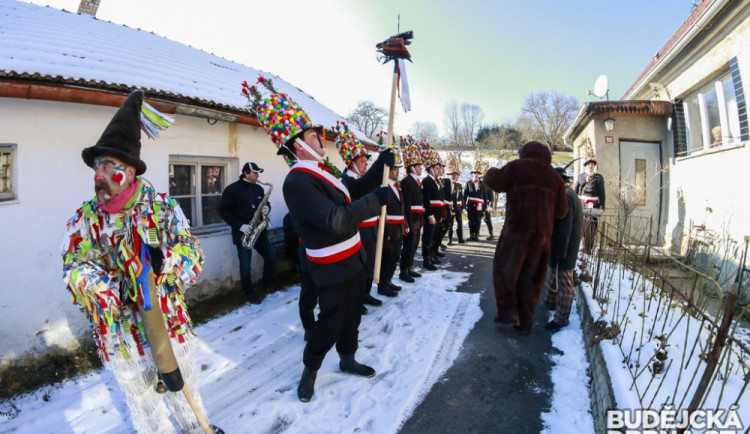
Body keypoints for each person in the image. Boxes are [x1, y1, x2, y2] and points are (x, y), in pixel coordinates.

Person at [62, 90, 217, 433]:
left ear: (130, 172)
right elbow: (72, 268)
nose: (98, 175)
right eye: (96, 166)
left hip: (169, 325)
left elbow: (193, 253)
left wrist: (165, 262)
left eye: (107, 166)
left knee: (184, 391)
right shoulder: (85, 220)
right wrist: (112, 286)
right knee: (144, 408)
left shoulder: (162, 208)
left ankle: (195, 429)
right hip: (121, 337)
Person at [255, 90, 390, 403]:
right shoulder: (297, 181)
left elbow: (355, 189)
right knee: (329, 321)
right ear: (298, 146)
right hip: (331, 268)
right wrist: (374, 202)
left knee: (353, 315)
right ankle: (310, 370)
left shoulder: (322, 172)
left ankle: (347, 358)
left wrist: (381, 162)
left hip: (354, 258)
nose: (320, 139)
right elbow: (335, 219)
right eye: (314, 135)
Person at [484, 141, 568, 336]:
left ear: (524, 153)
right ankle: (525, 323)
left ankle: (506, 312)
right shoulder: (556, 178)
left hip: (516, 234)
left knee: (505, 271)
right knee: (532, 280)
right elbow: (562, 212)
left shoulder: (517, 166)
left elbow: (494, 181)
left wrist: (490, 171)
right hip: (542, 238)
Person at [336, 123, 397, 305]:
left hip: (372, 228)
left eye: (366, 160)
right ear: (352, 163)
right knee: (359, 268)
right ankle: (357, 299)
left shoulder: (361, 179)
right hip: (359, 231)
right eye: (362, 160)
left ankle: (366, 294)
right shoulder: (346, 181)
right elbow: (361, 192)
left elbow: (369, 182)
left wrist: (382, 166)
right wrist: (378, 166)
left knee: (370, 265)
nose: (365, 163)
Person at [220, 161, 276, 304]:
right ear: (246, 173)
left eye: (258, 173)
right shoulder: (231, 190)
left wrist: (267, 209)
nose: (258, 176)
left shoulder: (258, 189)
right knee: (246, 266)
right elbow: (224, 211)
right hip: (243, 234)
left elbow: (265, 203)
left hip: (260, 233)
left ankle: (267, 284)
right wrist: (240, 226)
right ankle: (249, 293)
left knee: (271, 257)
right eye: (255, 173)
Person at [544, 167, 584, 331]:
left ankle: (561, 319)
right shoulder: (566, 193)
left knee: (566, 284)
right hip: (562, 245)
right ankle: (551, 303)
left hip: (564, 247)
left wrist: (560, 252)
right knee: (554, 275)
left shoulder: (566, 197)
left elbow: (564, 228)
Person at [377, 147, 407, 295]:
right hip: (389, 228)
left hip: (398, 227)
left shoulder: (396, 186)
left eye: (398, 169)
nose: (397, 171)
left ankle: (388, 280)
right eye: (394, 169)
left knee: (395, 256)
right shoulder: (384, 186)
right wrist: (385, 232)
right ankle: (382, 285)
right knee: (387, 257)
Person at [398, 139, 425, 283]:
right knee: (408, 246)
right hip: (411, 219)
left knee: (414, 246)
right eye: (419, 166)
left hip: (417, 219)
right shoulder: (407, 181)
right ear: (412, 168)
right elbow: (406, 205)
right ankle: (403, 271)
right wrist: (406, 223)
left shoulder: (416, 181)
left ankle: (409, 267)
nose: (421, 168)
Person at [421, 144, 443, 271]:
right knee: (428, 236)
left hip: (437, 212)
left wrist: (439, 215)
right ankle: (426, 259)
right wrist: (429, 215)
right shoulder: (427, 181)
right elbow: (426, 200)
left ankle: (432, 255)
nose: (438, 169)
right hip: (431, 213)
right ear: (430, 169)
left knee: (434, 236)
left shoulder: (437, 181)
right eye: (436, 167)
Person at [575, 158, 605, 252]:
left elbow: (602, 193)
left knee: (592, 226)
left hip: (594, 205)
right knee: (581, 224)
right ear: (586, 166)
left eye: (592, 164)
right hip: (582, 204)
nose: (591, 166)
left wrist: (602, 206)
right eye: (589, 164)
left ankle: (589, 247)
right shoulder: (581, 177)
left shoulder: (598, 178)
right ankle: (582, 245)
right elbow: (576, 191)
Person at [444, 159, 465, 245]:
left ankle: (460, 238)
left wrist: (463, 207)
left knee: (460, 222)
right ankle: (450, 239)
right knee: (450, 223)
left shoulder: (459, 185)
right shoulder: (446, 183)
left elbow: (461, 197)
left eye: (456, 175)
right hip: (449, 206)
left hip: (458, 207)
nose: (454, 176)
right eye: (453, 174)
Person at [464, 162, 486, 241]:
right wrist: (464, 206)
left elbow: (485, 197)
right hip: (470, 205)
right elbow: (465, 195)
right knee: (471, 220)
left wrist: (485, 208)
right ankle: (471, 235)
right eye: (474, 173)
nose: (476, 175)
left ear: (479, 175)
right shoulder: (468, 183)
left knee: (478, 220)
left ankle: (476, 235)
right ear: (472, 174)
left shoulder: (483, 184)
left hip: (479, 205)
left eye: (477, 173)